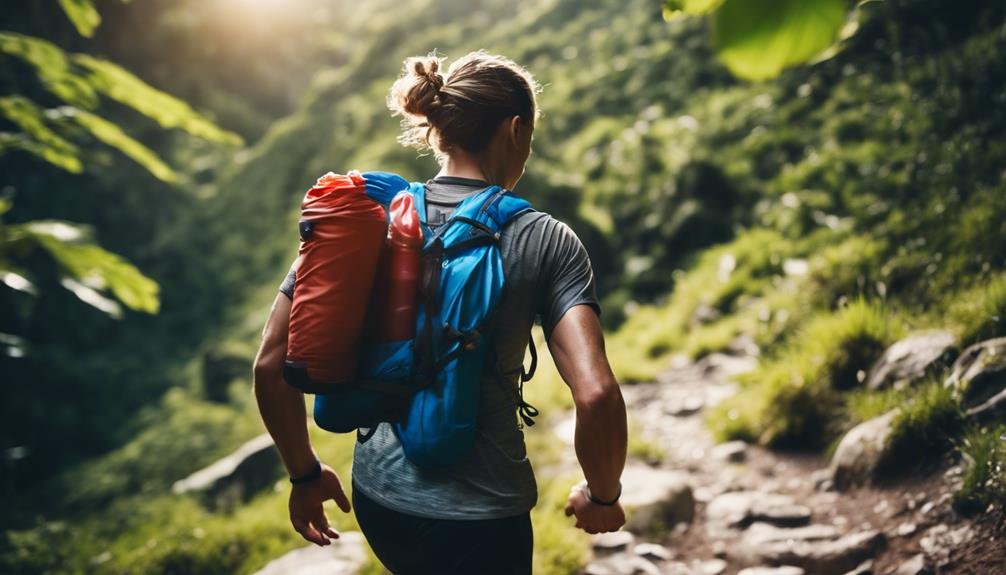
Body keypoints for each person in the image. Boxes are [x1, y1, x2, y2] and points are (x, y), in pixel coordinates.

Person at [253, 50, 627, 574]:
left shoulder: (368, 216)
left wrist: (304, 475)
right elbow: (598, 395)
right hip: (481, 520)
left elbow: (271, 365)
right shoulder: (546, 239)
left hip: (379, 500)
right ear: (516, 130)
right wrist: (603, 497)